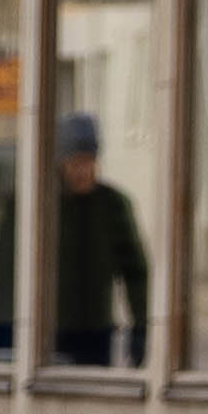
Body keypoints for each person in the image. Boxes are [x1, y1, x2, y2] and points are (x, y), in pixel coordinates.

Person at [49, 109, 154, 370]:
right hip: (50, 329)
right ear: (61, 164)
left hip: (96, 333)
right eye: (76, 163)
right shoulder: (45, 206)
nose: (84, 171)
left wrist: (141, 327)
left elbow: (136, 273)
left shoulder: (112, 205)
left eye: (89, 161)